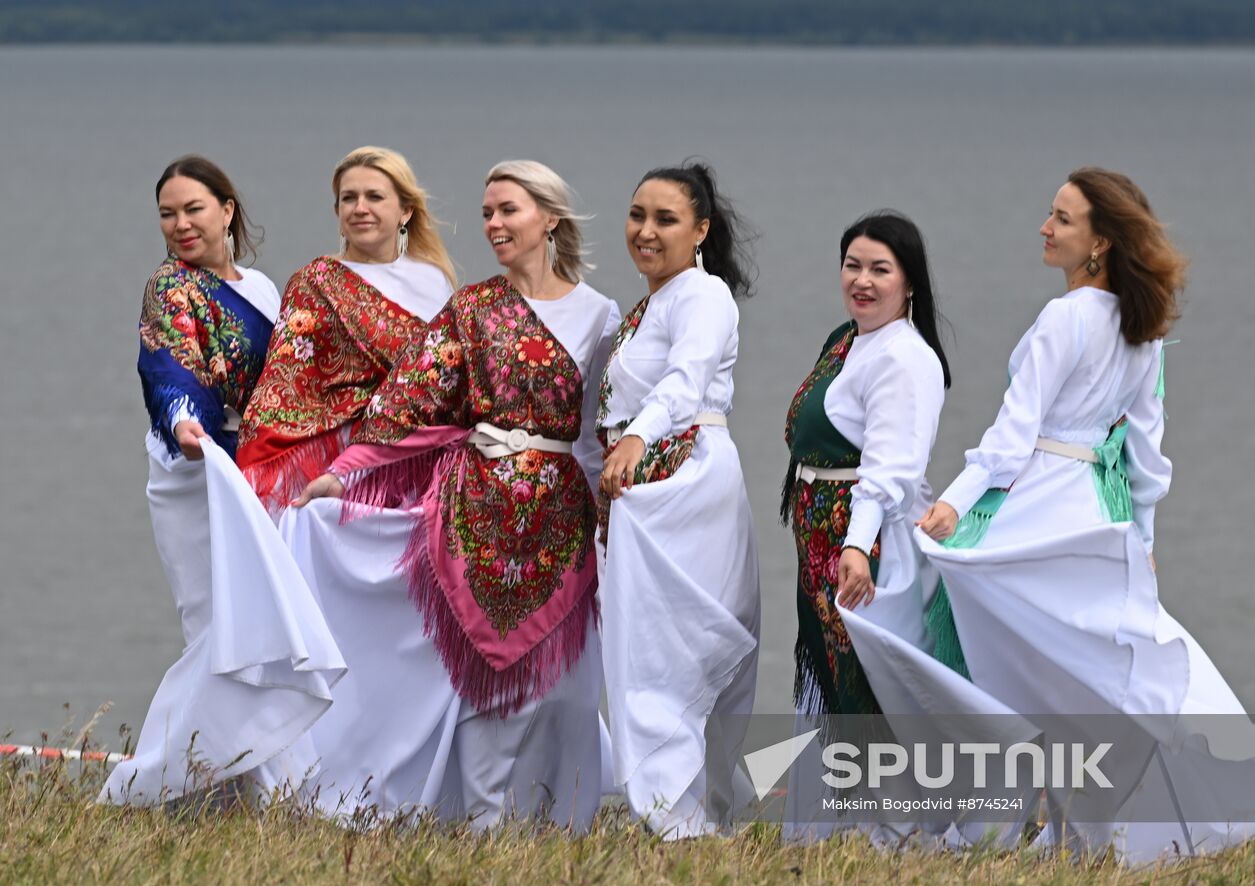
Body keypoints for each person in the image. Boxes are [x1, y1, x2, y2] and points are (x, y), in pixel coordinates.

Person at [915, 168, 1255, 861]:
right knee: (1099, 669)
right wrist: (1141, 541)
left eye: (1062, 219)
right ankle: (1092, 834)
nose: (1045, 227)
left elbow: (1012, 438)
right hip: (1093, 514)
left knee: (992, 652)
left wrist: (953, 501)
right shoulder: (1143, 331)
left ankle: (984, 829)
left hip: (1036, 504)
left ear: (1100, 241)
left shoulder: (1063, 318)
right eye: (1050, 214)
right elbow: (1147, 457)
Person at [291, 160, 619, 829]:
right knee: (482, 687)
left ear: (549, 219)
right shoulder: (472, 308)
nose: (494, 224)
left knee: (565, 686)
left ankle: (559, 824)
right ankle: (480, 826)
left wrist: (612, 515)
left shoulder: (600, 315)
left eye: (509, 210)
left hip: (561, 516)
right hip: (476, 513)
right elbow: (406, 401)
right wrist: (346, 472)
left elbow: (597, 434)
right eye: (488, 213)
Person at [779, 212, 1032, 848]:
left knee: (875, 683)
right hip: (826, 534)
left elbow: (891, 470)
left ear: (909, 282)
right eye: (852, 265)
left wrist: (857, 546)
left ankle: (900, 832)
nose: (862, 281)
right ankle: (850, 828)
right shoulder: (848, 339)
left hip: (868, 542)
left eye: (880, 270)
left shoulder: (905, 357)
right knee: (837, 677)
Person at [103, 156, 343, 806]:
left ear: (227, 210)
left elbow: (290, 383)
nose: (180, 224)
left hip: (256, 472)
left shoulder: (264, 290)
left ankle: (258, 789)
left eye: (193, 209)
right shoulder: (168, 288)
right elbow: (167, 370)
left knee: (258, 621)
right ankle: (151, 781)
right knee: (217, 627)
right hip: (194, 470)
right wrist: (185, 422)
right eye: (167, 214)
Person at [596, 161, 760, 838]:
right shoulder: (647, 306)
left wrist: (635, 439)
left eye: (665, 219)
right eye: (637, 215)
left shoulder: (702, 294)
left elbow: (684, 380)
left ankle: (679, 821)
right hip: (651, 489)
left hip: (686, 479)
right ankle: (678, 813)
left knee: (670, 653)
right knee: (647, 652)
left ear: (701, 230)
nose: (646, 230)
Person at [237, 146, 456, 511]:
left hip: (415, 463)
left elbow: (447, 380)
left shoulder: (435, 282)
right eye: (348, 199)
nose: (360, 208)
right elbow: (285, 385)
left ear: (406, 210)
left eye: (374, 197)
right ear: (338, 213)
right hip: (333, 467)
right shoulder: (315, 282)